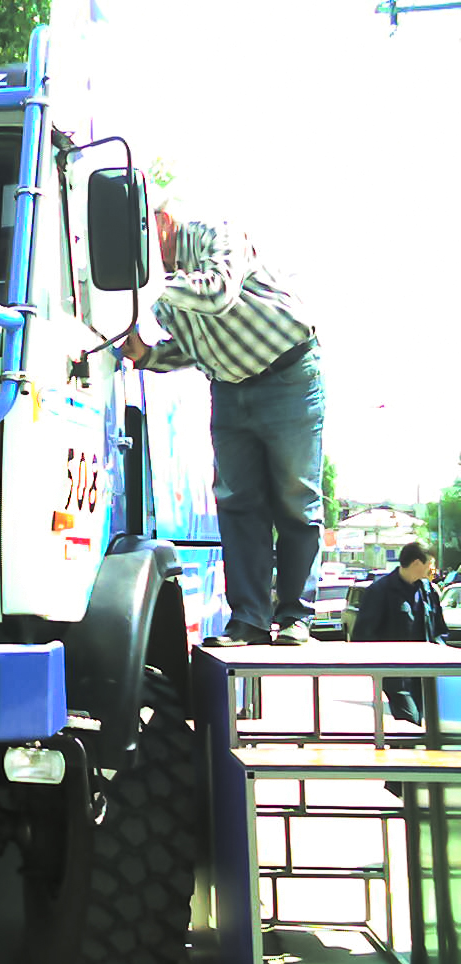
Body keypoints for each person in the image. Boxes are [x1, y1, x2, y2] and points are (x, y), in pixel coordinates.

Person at [121, 196, 324, 647]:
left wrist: (150, 284)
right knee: (237, 505)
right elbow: (198, 343)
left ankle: (295, 617)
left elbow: (216, 293)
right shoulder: (162, 289)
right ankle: (249, 620)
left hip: (289, 373)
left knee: (296, 498)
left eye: (140, 231)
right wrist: (150, 355)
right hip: (230, 388)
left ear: (165, 221)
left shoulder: (216, 232)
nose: (132, 246)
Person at [352, 541, 448, 725]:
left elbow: (439, 630)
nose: (433, 570)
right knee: (410, 719)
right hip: (397, 675)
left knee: (430, 725)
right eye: (431, 564)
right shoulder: (380, 591)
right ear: (417, 563)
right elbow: (363, 636)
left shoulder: (428, 591)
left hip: (427, 674)